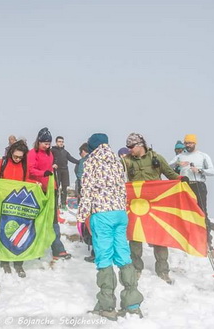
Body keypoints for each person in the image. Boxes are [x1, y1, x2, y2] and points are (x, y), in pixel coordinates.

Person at [78, 134, 143, 320]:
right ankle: (132, 303)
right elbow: (123, 188)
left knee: (104, 258)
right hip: (120, 214)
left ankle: (107, 306)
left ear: (92, 148)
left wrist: (82, 216)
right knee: (123, 255)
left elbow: (87, 190)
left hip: (102, 214)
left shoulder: (91, 162)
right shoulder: (117, 160)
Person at [122, 133, 179, 284]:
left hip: (156, 206)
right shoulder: (126, 161)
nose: (129, 150)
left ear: (140, 145)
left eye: (131, 147)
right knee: (135, 238)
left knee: (159, 238)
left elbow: (170, 174)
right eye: (127, 147)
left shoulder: (157, 158)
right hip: (136, 205)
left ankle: (163, 271)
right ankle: (136, 268)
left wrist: (182, 181)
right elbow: (115, 174)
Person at [0, 140, 32, 277]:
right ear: (11, 153)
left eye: (21, 157)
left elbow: (26, 181)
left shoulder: (24, 165)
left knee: (19, 231)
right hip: (4, 202)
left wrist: (36, 184)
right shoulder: (4, 162)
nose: (18, 159)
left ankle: (19, 263)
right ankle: (5, 260)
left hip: (18, 204)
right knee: (4, 229)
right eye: (16, 156)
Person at [28, 127, 71, 260]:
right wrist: (42, 173)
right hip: (38, 189)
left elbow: (49, 167)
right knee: (36, 219)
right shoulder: (32, 153)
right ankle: (34, 248)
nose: (47, 146)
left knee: (53, 219)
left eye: (49, 144)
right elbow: (30, 169)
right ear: (39, 142)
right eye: (45, 143)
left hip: (51, 188)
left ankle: (58, 248)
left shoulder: (49, 153)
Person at [170, 134, 214, 242]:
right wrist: (178, 163)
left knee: (201, 211)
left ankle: (206, 239)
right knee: (184, 211)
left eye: (190, 143)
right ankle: (186, 237)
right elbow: (168, 166)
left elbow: (212, 171)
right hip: (185, 185)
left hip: (198, 184)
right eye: (186, 143)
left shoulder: (203, 156)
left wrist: (199, 170)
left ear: (195, 143)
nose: (187, 145)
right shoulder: (180, 156)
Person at [51, 136, 79, 210]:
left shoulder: (65, 152)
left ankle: (63, 204)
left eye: (62, 142)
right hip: (56, 170)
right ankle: (55, 204)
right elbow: (48, 159)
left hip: (65, 171)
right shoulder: (52, 151)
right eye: (59, 141)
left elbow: (71, 158)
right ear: (56, 142)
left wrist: (79, 161)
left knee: (64, 188)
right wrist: (52, 164)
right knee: (56, 188)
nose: (61, 143)